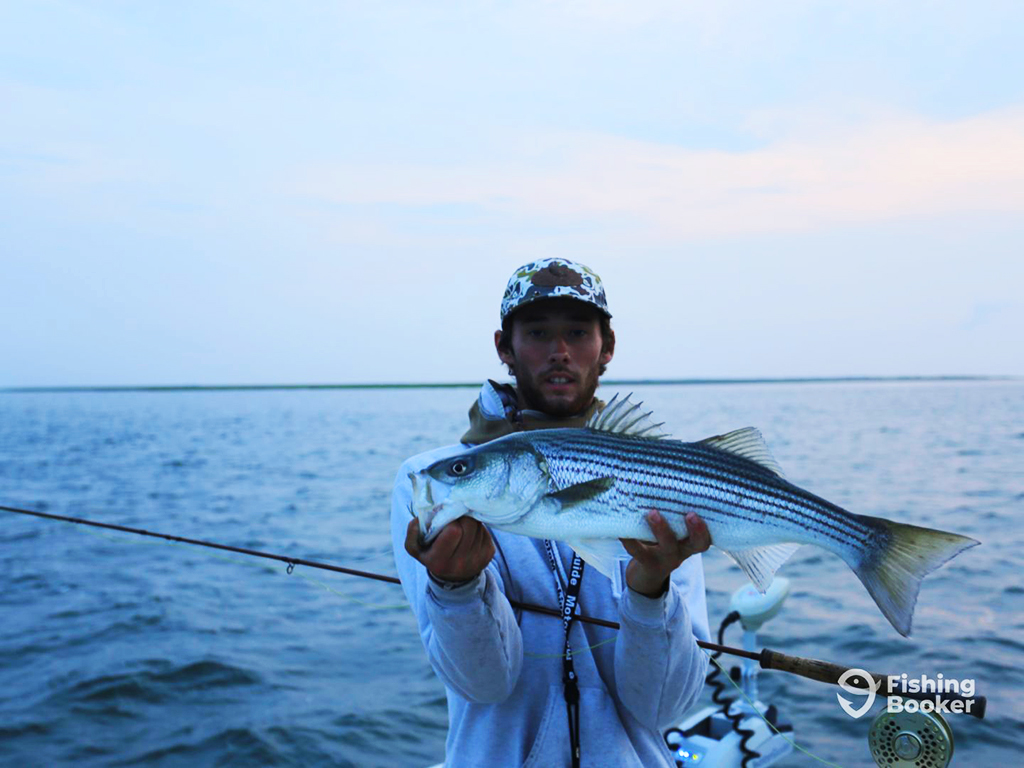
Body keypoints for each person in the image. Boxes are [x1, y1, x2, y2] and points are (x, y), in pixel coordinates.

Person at [390, 258, 711, 768]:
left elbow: (664, 708)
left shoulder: (659, 480)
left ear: (607, 348)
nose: (559, 352)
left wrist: (651, 592)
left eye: (578, 333)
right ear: (505, 348)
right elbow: (486, 685)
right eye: (538, 332)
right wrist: (456, 591)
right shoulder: (432, 483)